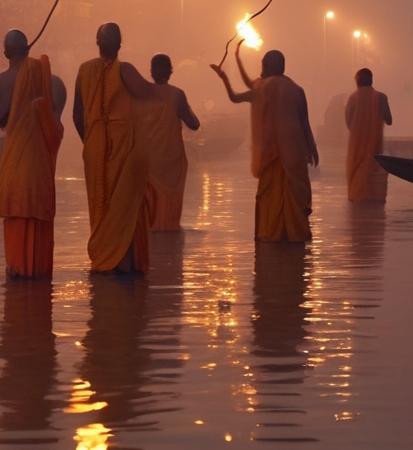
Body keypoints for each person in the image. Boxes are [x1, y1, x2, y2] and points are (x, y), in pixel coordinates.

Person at [211, 44, 318, 242]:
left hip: (271, 153)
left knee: (269, 195)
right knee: (295, 192)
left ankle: (272, 234)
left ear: (266, 67)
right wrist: (312, 147)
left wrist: (224, 77)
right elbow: (305, 121)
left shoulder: (261, 88)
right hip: (294, 151)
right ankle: (297, 235)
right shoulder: (296, 89)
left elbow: (235, 97)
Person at [73, 22, 156, 274]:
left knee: (102, 205)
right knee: (125, 205)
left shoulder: (84, 70)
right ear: (120, 44)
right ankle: (123, 264)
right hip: (123, 148)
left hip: (94, 145)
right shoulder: (125, 70)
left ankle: (104, 260)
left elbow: (78, 115)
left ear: (97, 44)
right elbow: (149, 94)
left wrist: (90, 142)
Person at [0, 29, 66, 279]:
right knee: (41, 265)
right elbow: (56, 125)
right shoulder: (53, 82)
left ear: (6, 53)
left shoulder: (3, 80)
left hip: (15, 169)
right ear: (28, 50)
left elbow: (0, 118)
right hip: (40, 170)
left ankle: (18, 288)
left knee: (17, 272)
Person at [139, 53, 200, 231]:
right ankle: (170, 245)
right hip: (171, 162)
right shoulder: (177, 95)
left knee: (149, 216)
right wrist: (186, 107)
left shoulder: (142, 94)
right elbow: (194, 124)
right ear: (171, 71)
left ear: (151, 72)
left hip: (148, 161)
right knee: (169, 220)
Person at [345, 68, 392, 203]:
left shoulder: (353, 98)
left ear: (357, 82)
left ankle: (358, 199)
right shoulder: (381, 97)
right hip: (375, 145)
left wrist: (359, 131)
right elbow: (389, 120)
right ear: (371, 81)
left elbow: (349, 123)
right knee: (374, 174)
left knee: (356, 173)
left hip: (356, 147)